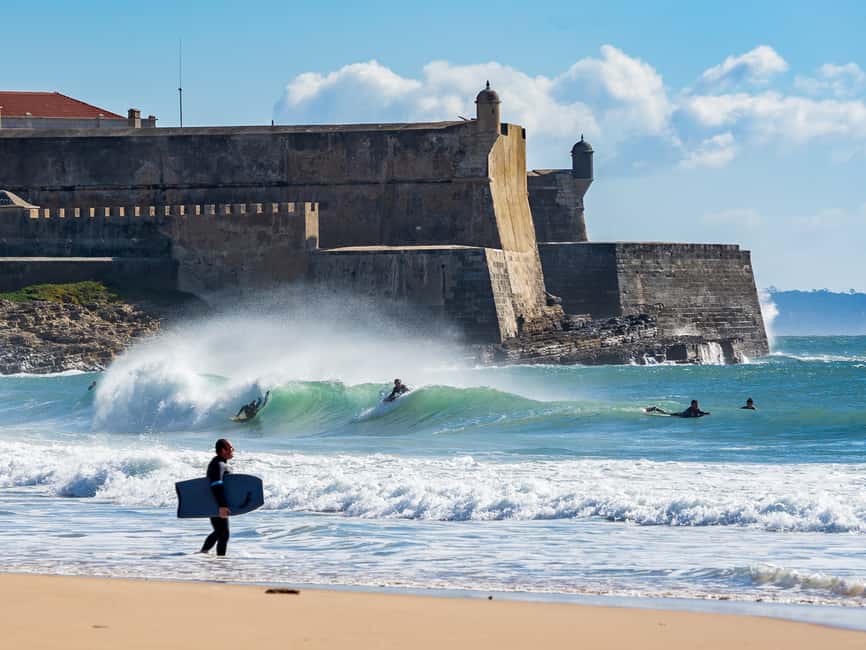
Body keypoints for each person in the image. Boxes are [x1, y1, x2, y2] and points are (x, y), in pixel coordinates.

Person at [200, 438, 233, 556]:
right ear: (223, 450)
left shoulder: (220, 463)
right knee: (222, 532)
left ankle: (205, 553)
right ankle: (218, 559)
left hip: (216, 501)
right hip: (216, 502)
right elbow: (216, 484)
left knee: (221, 532)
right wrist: (222, 505)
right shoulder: (218, 464)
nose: (233, 450)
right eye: (230, 448)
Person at [645, 399, 710, 417]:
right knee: (666, 413)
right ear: (692, 405)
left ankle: (655, 408)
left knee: (666, 413)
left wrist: (706, 413)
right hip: (679, 414)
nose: (697, 406)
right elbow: (687, 415)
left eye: (697, 404)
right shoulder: (690, 409)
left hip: (681, 414)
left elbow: (701, 412)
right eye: (695, 404)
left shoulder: (697, 409)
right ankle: (655, 408)